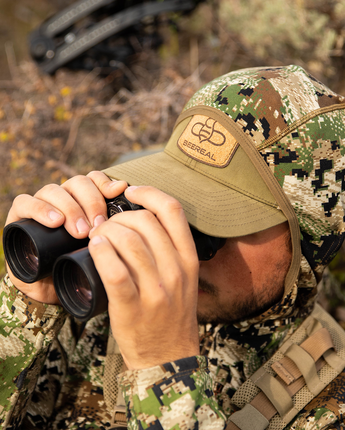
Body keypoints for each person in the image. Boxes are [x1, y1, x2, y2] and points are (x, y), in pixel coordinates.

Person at [1, 64, 345, 430]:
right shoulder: (94, 309)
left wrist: (164, 367)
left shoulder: (328, 407)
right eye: (175, 200)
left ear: (312, 244)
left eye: (219, 224)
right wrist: (24, 314)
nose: (179, 241)